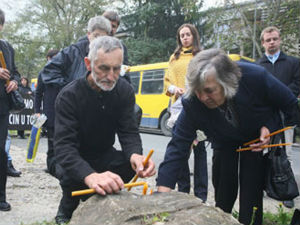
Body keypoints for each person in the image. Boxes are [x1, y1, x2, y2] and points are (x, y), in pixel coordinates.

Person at [156, 49, 299, 225]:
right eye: (198, 91)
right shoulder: (193, 100)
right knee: (223, 191)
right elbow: (178, 146)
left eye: (209, 91)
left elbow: (289, 105)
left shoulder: (256, 77)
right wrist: (161, 196)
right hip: (222, 140)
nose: (202, 97)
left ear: (227, 82)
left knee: (251, 193)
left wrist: (269, 126)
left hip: (253, 139)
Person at [54, 36, 156, 224]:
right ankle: (67, 207)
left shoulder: (124, 91)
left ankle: (102, 203)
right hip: (75, 154)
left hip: (103, 153)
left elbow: (129, 131)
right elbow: (64, 148)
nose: (111, 77)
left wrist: (136, 156)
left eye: (117, 69)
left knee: (128, 164)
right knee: (71, 174)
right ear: (88, 64)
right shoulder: (69, 96)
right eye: (103, 68)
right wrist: (90, 176)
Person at [40, 16, 111, 178]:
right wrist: (69, 87)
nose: (100, 41)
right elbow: (48, 71)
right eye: (97, 36)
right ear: (89, 34)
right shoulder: (72, 51)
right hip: (73, 110)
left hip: (96, 113)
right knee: (67, 152)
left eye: (105, 37)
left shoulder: (110, 54)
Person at [163, 23, 207, 202]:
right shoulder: (174, 57)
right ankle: (182, 191)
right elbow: (166, 81)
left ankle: (201, 195)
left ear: (194, 36)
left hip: (200, 108)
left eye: (188, 34)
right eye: (182, 35)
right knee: (180, 150)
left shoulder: (202, 56)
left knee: (200, 152)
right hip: (178, 109)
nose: (185, 38)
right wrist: (174, 88)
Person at [257, 26, 300, 209]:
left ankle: (286, 190)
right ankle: (262, 186)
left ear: (280, 39)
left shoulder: (293, 63)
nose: (272, 42)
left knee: (285, 154)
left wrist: (279, 96)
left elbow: (297, 85)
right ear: (263, 43)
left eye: (274, 39)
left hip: (286, 116)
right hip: (264, 117)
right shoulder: (258, 66)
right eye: (268, 40)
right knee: (263, 152)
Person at [0, 8, 20, 211]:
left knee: (0, 153)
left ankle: (0, 197)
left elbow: (15, 71)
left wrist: (14, 81)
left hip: (1, 108)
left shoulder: (6, 47)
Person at [34, 49, 59, 177]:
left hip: (63, 112)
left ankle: (61, 165)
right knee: (51, 141)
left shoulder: (63, 72)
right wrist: (37, 111)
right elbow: (38, 94)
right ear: (48, 59)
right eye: (53, 58)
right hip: (49, 112)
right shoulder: (43, 73)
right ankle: (51, 166)